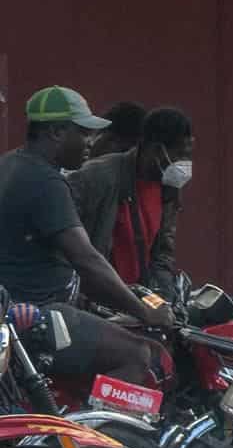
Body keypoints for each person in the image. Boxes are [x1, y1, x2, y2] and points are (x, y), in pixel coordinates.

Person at [0, 86, 175, 380]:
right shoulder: (45, 182)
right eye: (83, 132)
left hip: (15, 315)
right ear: (56, 132)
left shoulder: (10, 165)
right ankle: (104, 429)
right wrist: (144, 311)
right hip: (38, 318)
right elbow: (85, 258)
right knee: (138, 354)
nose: (91, 142)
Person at [70, 105, 194, 304]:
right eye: (180, 155)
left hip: (136, 304)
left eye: (189, 155)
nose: (185, 163)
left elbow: (163, 254)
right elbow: (69, 246)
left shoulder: (169, 187)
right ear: (155, 149)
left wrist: (163, 300)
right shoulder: (96, 177)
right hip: (94, 302)